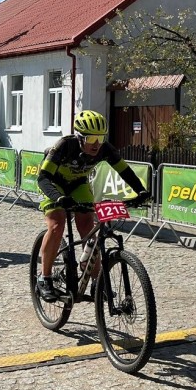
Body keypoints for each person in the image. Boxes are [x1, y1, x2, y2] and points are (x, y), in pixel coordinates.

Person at [35, 110, 148, 301]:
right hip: (53, 184)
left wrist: (141, 191)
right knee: (57, 224)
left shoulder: (105, 149)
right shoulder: (64, 145)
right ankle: (44, 278)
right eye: (91, 138)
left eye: (100, 138)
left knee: (88, 226)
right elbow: (43, 178)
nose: (97, 144)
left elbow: (125, 171)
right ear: (80, 138)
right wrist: (59, 198)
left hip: (78, 184)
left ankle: (97, 282)